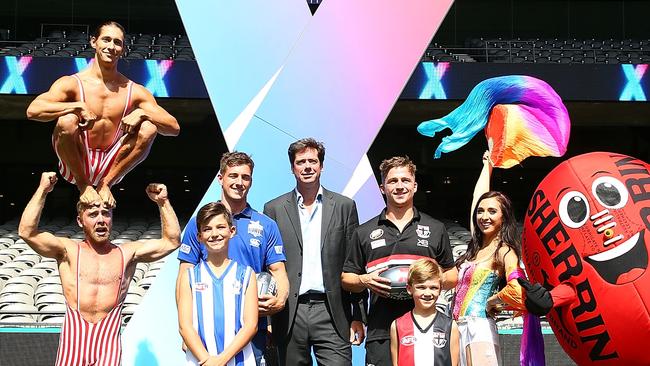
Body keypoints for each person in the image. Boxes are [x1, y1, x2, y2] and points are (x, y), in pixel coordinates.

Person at [18, 172, 181, 366]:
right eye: (93, 214)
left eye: (106, 213)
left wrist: (163, 202)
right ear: (80, 221)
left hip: (108, 347)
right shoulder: (67, 251)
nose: (101, 219)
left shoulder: (127, 254)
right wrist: (43, 190)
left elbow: (172, 241)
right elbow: (26, 232)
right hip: (73, 345)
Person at [26, 20, 180, 208]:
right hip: (76, 162)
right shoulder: (73, 83)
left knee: (149, 127)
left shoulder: (134, 90)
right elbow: (33, 110)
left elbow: (173, 128)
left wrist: (142, 113)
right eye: (106, 40)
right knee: (67, 120)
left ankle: (106, 184)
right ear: (94, 42)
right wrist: (76, 106)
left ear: (122, 49)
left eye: (117, 42)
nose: (111, 46)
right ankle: (84, 186)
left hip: (113, 165)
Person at [342, 155, 457, 366]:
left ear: (415, 186)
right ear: (382, 188)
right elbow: (347, 278)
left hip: (426, 327)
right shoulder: (364, 232)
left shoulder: (435, 229)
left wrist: (427, 278)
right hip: (380, 329)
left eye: (405, 180)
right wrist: (365, 281)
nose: (399, 186)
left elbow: (452, 276)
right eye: (393, 181)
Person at [177, 152, 289, 365]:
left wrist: (279, 301)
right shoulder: (198, 224)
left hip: (251, 332)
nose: (239, 182)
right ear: (221, 178)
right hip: (205, 333)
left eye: (245, 177)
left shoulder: (266, 225)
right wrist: (185, 333)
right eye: (233, 176)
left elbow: (278, 273)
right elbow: (184, 276)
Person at [263, 138, 365, 366]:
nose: (307, 166)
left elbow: (353, 263)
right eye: (301, 162)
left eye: (313, 161)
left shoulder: (344, 206)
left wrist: (358, 315)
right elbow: (268, 266)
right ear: (292, 168)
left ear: (322, 166)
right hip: (289, 312)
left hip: (332, 311)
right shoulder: (274, 209)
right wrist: (268, 318)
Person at [451, 151, 525, 366]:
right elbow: (477, 199)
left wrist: (494, 301)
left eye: (492, 211)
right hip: (456, 327)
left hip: (480, 329)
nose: (484, 216)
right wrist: (487, 165)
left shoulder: (504, 251)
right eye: (481, 212)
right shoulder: (475, 247)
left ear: (504, 218)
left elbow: (517, 287)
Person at [177, 202, 258, 366]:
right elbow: (185, 326)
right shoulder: (190, 277)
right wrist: (207, 360)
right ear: (199, 236)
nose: (214, 234)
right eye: (207, 229)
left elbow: (251, 325)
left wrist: (221, 360)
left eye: (220, 227)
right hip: (201, 361)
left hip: (239, 361)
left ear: (232, 231)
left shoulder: (247, 275)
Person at [390, 258, 460, 366]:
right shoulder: (397, 325)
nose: (427, 293)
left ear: (440, 289)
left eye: (433, 288)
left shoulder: (450, 326)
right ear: (409, 289)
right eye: (421, 287)